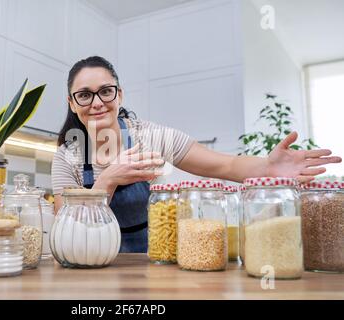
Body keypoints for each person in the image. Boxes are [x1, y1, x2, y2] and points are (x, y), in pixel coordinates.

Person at [51, 56, 342, 253]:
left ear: (120, 95)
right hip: (90, 263)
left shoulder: (149, 137)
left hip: (153, 261)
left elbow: (226, 165)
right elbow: (66, 228)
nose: (97, 103)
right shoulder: (67, 157)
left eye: (106, 91)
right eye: (85, 95)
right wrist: (108, 181)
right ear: (72, 103)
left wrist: (268, 166)